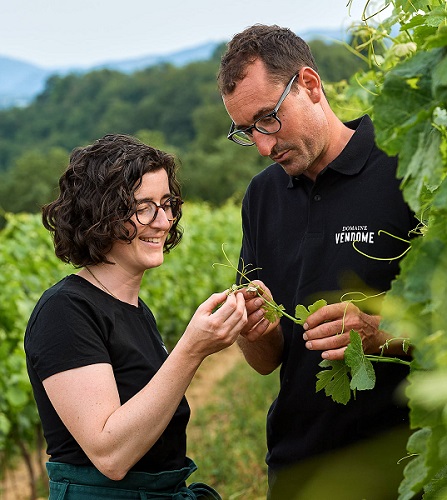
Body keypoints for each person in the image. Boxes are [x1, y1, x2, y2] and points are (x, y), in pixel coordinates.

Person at [217, 24, 417, 499]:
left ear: (309, 84)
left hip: (404, 465)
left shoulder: (405, 166)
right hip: (298, 467)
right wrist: (255, 332)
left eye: (268, 118)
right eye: (247, 131)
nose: (263, 146)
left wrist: (382, 336)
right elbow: (268, 363)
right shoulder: (262, 196)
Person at [24, 133, 260, 499]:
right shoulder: (65, 310)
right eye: (143, 206)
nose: (163, 221)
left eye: (167, 204)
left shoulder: (135, 311)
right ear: (100, 213)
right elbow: (111, 454)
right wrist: (192, 350)